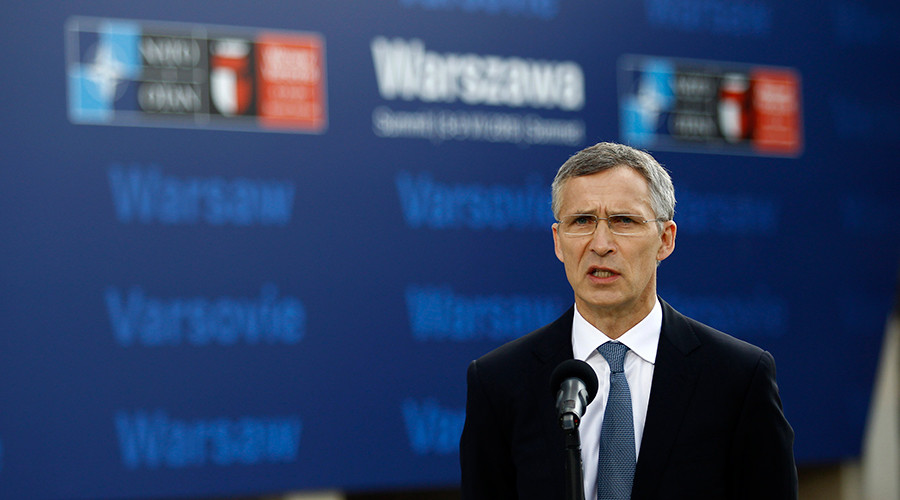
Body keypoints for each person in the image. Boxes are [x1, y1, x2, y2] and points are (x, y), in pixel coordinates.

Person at [459, 142, 797, 499]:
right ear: (558, 242)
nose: (600, 243)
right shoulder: (499, 381)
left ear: (665, 240)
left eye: (623, 221)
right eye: (582, 221)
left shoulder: (738, 376)